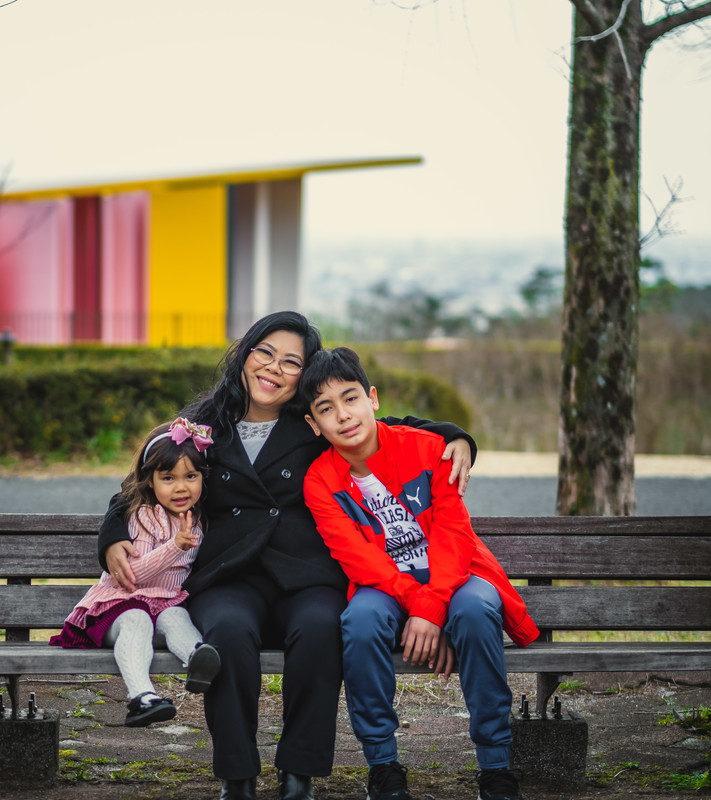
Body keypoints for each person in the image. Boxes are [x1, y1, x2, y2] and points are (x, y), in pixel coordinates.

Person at [99, 311, 475, 800]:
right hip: (230, 575)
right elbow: (140, 483)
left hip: (308, 574)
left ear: (306, 373)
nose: (273, 368)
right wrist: (111, 537)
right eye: (265, 352)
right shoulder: (204, 425)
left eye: (291, 362)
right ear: (246, 353)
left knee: (322, 628)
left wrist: (455, 435)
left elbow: (390, 426)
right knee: (228, 633)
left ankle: (299, 773)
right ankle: (237, 776)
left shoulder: (311, 422)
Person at [299, 346, 539, 800]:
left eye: (350, 399)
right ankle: (384, 766)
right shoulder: (319, 480)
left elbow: (454, 533)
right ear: (314, 425)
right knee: (361, 620)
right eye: (326, 409)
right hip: (385, 586)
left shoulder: (429, 449)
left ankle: (495, 766)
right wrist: (422, 607)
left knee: (474, 610)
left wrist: (434, 606)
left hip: (455, 575)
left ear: (372, 398)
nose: (343, 416)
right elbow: (358, 559)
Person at [51, 418, 223, 728]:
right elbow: (133, 576)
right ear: (150, 481)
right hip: (119, 607)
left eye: (191, 476)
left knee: (176, 617)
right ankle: (142, 698)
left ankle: (198, 659)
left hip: (163, 604)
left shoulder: (198, 519)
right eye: (168, 478)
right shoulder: (144, 516)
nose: (181, 487)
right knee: (138, 619)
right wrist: (175, 546)